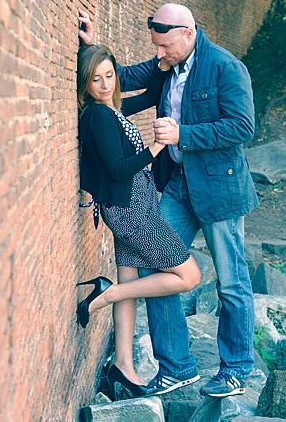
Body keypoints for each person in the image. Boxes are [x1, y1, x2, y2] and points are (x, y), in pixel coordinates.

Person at [77, 4, 259, 398]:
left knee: (231, 282)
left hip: (219, 189)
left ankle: (236, 370)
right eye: (156, 47)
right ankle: (176, 366)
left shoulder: (225, 68)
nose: (159, 55)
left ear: (188, 33)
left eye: (164, 47)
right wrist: (90, 49)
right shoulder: (168, 63)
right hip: (177, 183)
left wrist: (183, 134)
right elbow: (117, 79)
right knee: (153, 265)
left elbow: (242, 126)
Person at [75, 43, 202, 402]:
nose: (104, 85)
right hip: (132, 212)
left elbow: (149, 96)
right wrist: (157, 148)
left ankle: (123, 367)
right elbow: (118, 170)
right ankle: (106, 293)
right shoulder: (98, 116)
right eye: (95, 79)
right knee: (190, 276)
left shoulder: (111, 108)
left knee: (130, 281)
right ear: (85, 84)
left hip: (134, 206)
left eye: (109, 75)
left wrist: (161, 66)